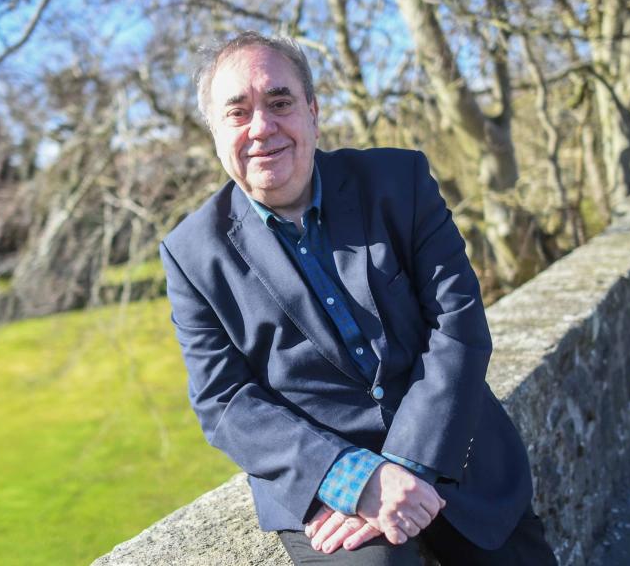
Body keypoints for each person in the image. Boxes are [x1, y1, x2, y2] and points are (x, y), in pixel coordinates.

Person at [159, 31, 557, 565]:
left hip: (456, 450)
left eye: (280, 103)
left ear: (313, 112)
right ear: (214, 130)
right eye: (238, 112)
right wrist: (355, 478)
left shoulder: (399, 180)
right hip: (327, 487)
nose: (262, 127)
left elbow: (458, 324)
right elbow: (224, 400)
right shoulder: (190, 253)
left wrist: (407, 466)